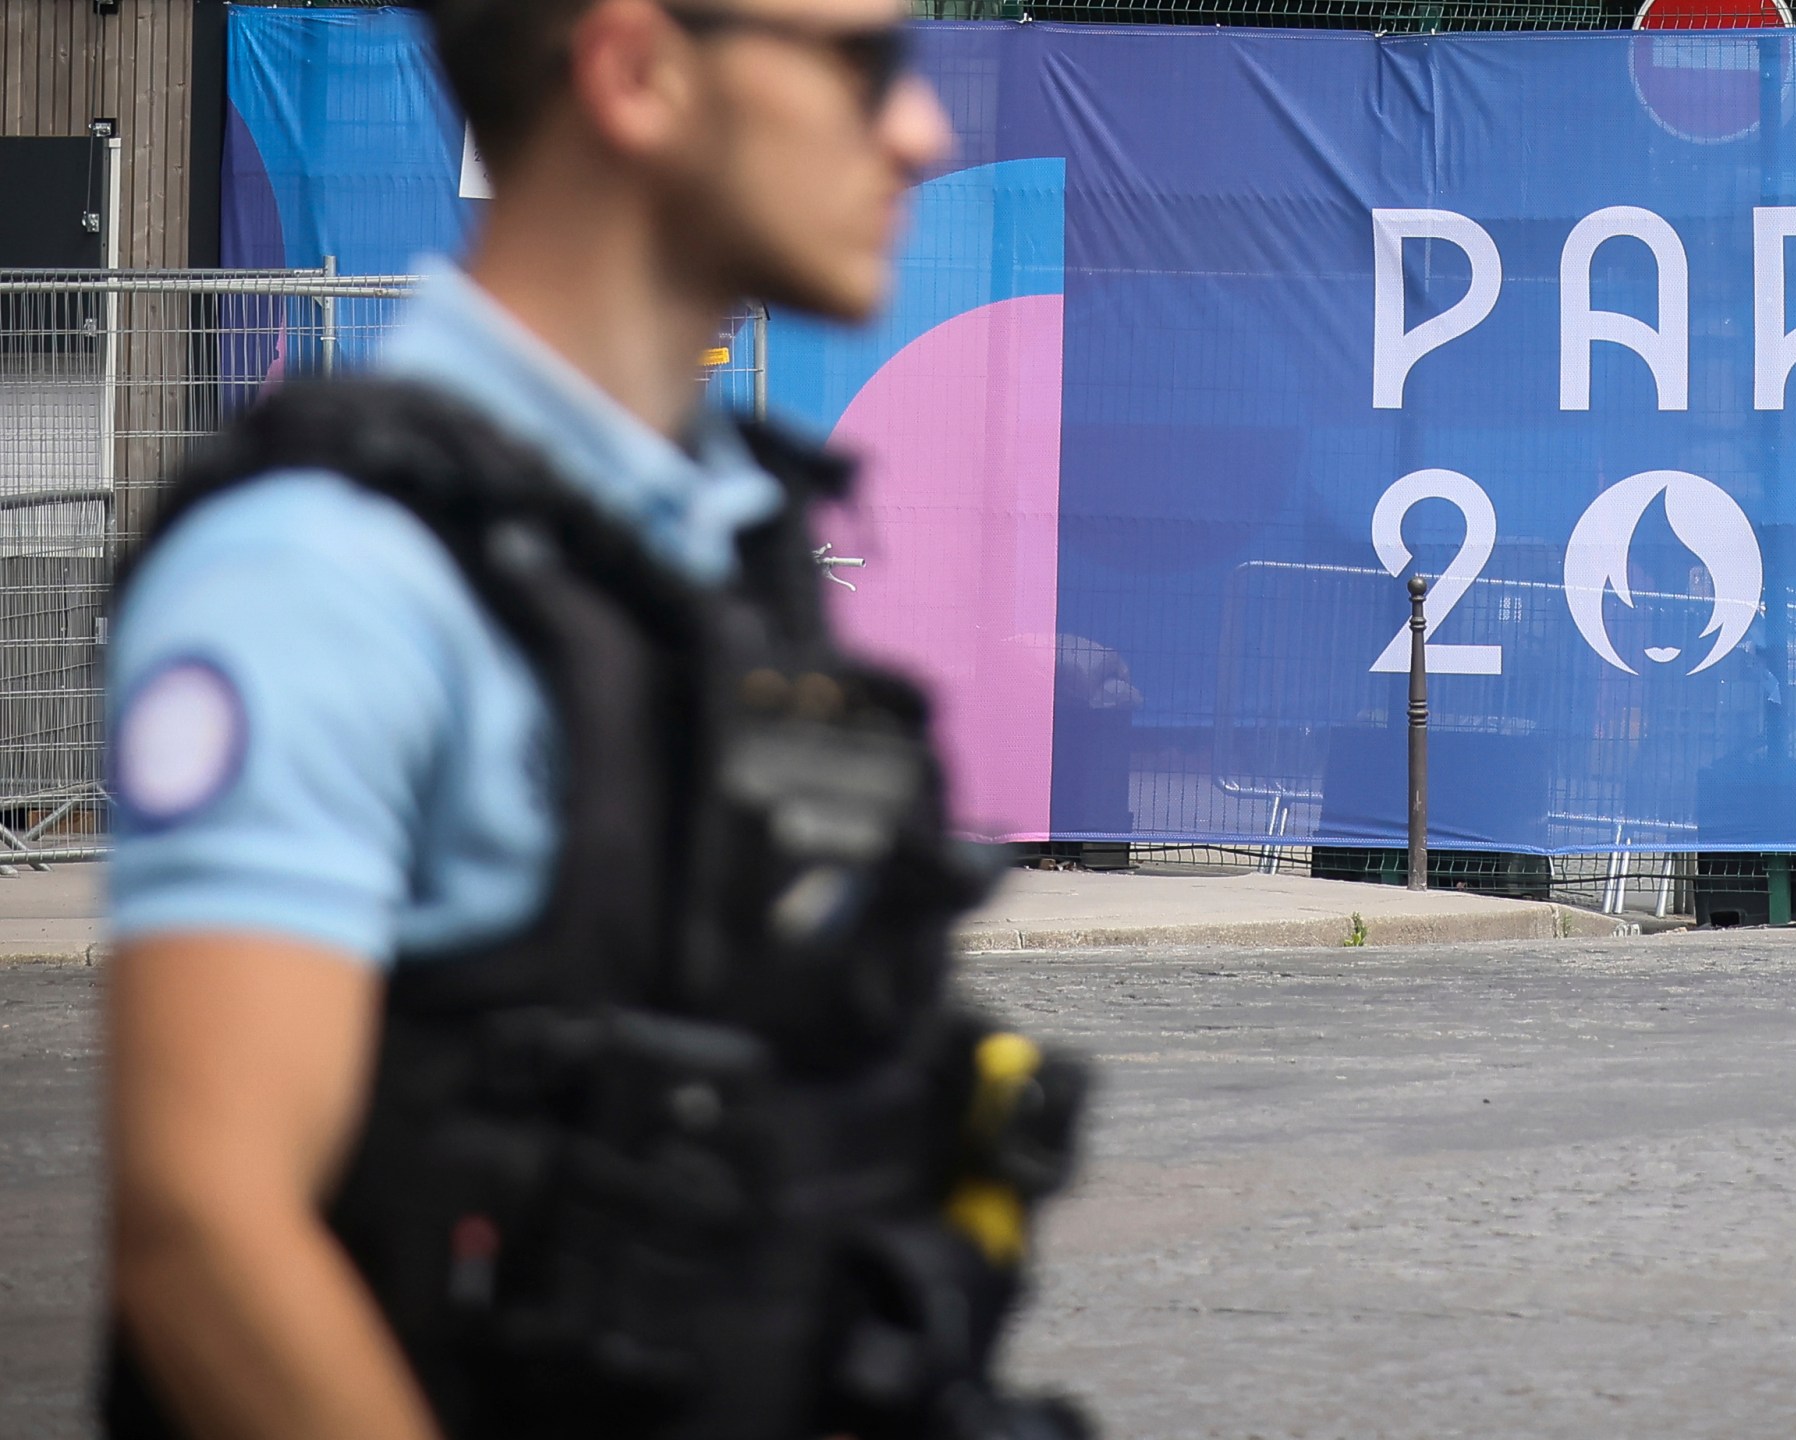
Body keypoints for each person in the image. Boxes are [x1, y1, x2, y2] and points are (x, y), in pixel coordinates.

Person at [101, 3, 1086, 1437]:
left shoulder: (728, 550)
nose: (921, 132)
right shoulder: (325, 573)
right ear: (636, 72)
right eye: (860, 65)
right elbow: (204, 1232)